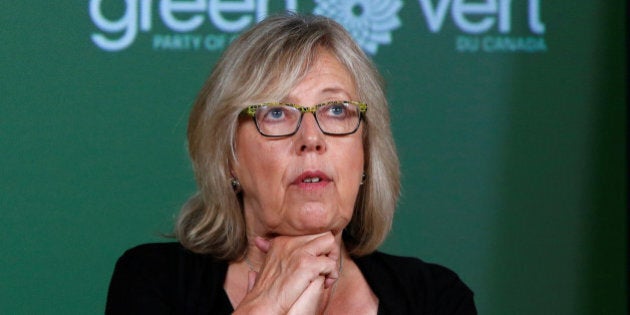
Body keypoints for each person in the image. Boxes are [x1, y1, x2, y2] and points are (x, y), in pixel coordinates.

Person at [106, 13, 476, 314]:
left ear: (365, 151)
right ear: (229, 158)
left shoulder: (435, 299)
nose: (311, 139)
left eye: (335, 110)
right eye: (277, 113)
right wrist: (267, 303)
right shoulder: (155, 282)